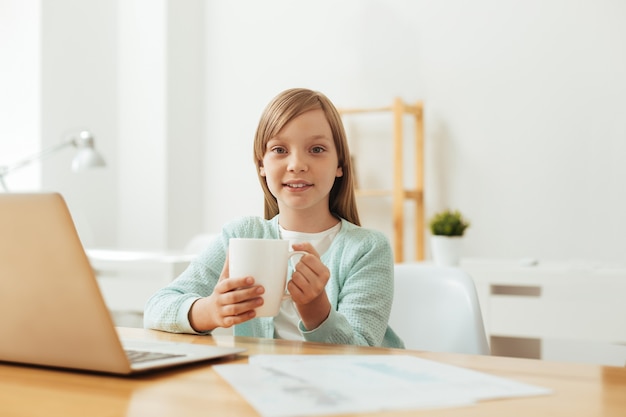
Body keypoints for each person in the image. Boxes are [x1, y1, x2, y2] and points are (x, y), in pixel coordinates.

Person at [144, 88, 404, 348]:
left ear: (340, 165)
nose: (297, 164)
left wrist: (317, 311)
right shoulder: (240, 236)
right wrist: (210, 310)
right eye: (280, 149)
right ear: (261, 164)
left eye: (316, 149)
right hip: (260, 381)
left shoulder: (367, 248)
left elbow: (363, 350)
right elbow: (157, 308)